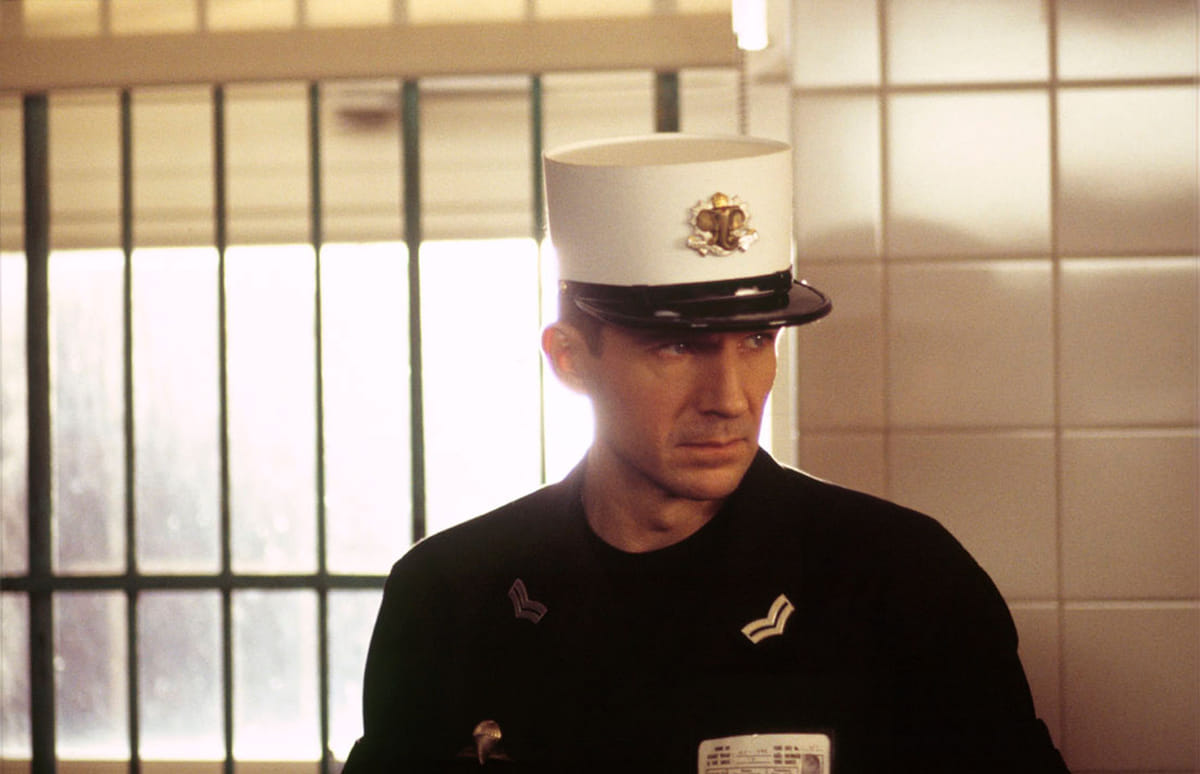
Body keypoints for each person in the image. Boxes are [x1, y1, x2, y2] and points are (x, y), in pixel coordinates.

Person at [342, 134, 1070, 773]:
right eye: (677, 347)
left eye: (755, 340)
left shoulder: (901, 582)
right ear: (570, 359)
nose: (729, 397)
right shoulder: (451, 595)